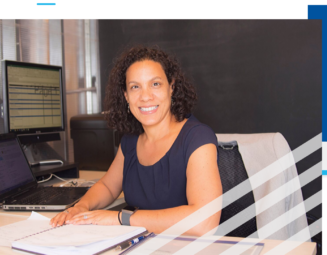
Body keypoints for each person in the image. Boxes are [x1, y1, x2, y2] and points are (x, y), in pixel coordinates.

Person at [50, 46, 222, 236]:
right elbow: (108, 186)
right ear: (126, 96)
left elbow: (205, 222)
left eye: (155, 84)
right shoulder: (131, 141)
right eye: (135, 87)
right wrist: (81, 207)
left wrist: (120, 219)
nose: (145, 96)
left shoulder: (197, 138)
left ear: (171, 87)